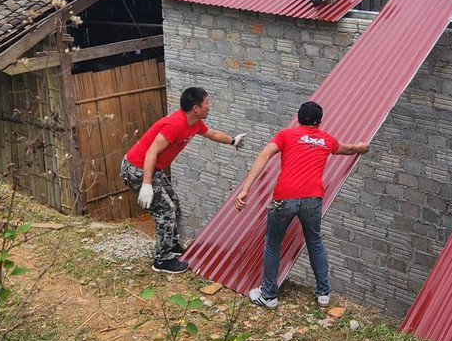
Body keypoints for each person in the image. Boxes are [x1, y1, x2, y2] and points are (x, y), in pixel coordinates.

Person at [234, 100, 371, 309]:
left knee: (272, 243)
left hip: (284, 198)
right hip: (312, 199)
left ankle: (269, 296)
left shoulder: (286, 135)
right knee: (315, 242)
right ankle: (323, 294)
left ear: (298, 119)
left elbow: (264, 155)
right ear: (319, 122)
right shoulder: (327, 140)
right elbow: (348, 148)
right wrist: (361, 148)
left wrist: (245, 188)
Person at [122, 86, 245, 274]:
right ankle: (162, 260)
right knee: (166, 210)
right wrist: (146, 184)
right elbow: (151, 152)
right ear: (196, 108)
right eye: (207, 103)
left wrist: (232, 140)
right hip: (138, 168)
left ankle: (170, 246)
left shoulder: (194, 124)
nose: (209, 106)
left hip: (152, 169)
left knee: (174, 204)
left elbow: (212, 134)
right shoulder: (175, 124)